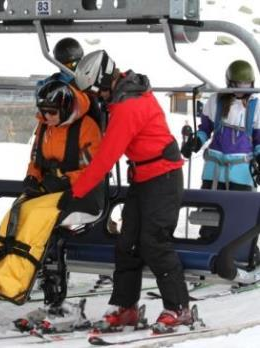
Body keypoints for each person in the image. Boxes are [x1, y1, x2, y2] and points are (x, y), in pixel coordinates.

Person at [58, 50, 191, 330]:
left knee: (154, 242)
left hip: (163, 178)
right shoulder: (122, 97)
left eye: (96, 91)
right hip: (143, 176)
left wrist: (77, 193)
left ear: (106, 80)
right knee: (127, 244)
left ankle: (179, 308)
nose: (96, 97)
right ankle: (126, 307)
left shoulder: (128, 106)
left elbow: (106, 157)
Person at [181, 60, 260, 192]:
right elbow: (205, 129)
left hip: (241, 172)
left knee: (241, 210)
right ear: (229, 83)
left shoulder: (256, 106)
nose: (242, 88)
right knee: (209, 208)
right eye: (238, 84)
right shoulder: (216, 101)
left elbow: (258, 138)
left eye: (246, 84)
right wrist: (196, 141)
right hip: (214, 170)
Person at [24, 79, 102, 203]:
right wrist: (32, 177)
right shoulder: (44, 125)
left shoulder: (86, 128)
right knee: (18, 213)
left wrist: (66, 181)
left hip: (77, 192)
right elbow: (36, 158)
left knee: (38, 217)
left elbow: (95, 169)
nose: (47, 116)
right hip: (46, 187)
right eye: (43, 111)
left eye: (52, 112)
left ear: (65, 109)